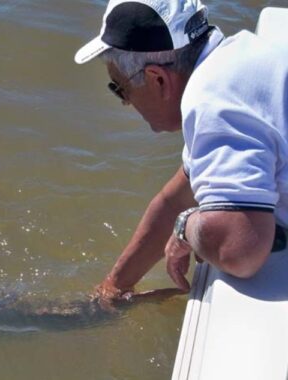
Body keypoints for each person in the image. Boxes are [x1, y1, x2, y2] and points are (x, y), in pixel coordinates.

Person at [74, 0, 288, 303]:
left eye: (120, 87)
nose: (124, 102)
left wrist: (187, 228)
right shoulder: (237, 62)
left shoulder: (211, 99)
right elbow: (173, 200)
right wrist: (112, 288)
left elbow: (243, 250)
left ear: (157, 79)